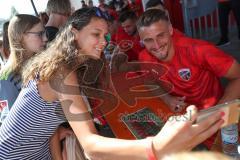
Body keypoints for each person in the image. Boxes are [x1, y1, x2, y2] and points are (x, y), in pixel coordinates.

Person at [0, 8, 224, 159]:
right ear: (74, 33)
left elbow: (47, 120)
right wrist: (156, 146)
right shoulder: (61, 70)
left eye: (105, 35)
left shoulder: (68, 64)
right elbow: (91, 146)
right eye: (95, 34)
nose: (103, 42)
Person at [137, 9, 240, 148]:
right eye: (148, 40)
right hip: (181, 124)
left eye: (160, 36)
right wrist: (166, 98)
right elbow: (148, 80)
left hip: (216, 122)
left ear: (171, 30)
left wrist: (218, 111)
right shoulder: (144, 57)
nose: (156, 45)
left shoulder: (198, 50)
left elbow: (238, 76)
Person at [0, 14, 47, 124]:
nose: (45, 38)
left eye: (45, 33)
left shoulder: (39, 63)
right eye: (40, 34)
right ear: (21, 36)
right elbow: (10, 124)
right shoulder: (6, 77)